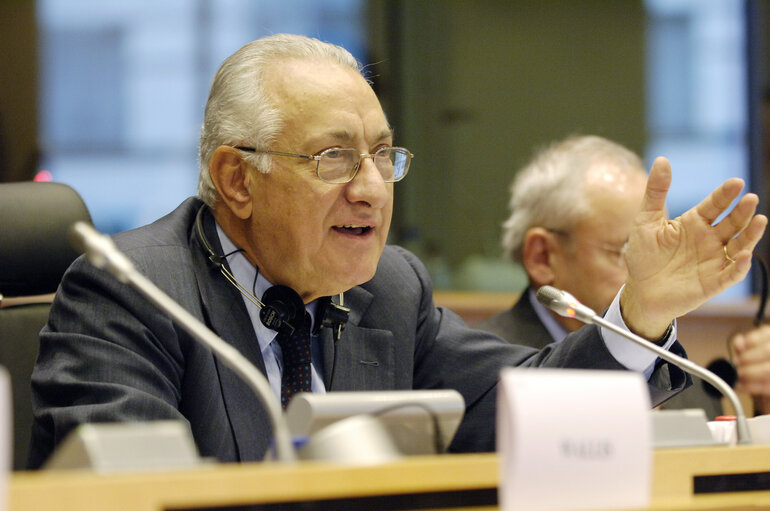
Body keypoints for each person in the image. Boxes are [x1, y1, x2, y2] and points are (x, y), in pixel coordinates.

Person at [28, 35, 766, 468]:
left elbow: (533, 404)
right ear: (236, 179)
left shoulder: (392, 287)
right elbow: (122, 489)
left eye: (384, 157)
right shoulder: (132, 289)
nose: (373, 189)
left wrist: (638, 314)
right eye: (335, 157)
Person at [477, 135, 770, 418]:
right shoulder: (487, 372)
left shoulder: (682, 376)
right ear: (542, 257)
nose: (652, 268)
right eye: (627, 250)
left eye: (659, 246)